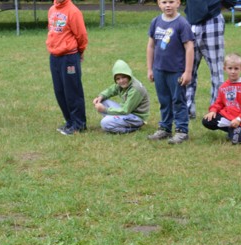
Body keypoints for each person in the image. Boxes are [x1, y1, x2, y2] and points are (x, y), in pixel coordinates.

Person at [146, 0, 194, 144]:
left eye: (171, 1)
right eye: (164, 2)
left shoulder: (182, 24)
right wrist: (150, 68)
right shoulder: (155, 22)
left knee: (178, 100)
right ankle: (165, 128)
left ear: (178, 3)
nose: (168, 5)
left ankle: (181, 130)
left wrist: (188, 71)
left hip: (176, 71)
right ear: (159, 4)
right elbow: (151, 46)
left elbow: (189, 48)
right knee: (164, 100)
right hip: (159, 69)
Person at [46, 0, 87, 135]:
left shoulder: (73, 11)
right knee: (59, 91)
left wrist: (79, 52)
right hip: (54, 57)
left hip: (69, 57)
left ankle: (78, 124)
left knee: (72, 91)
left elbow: (81, 36)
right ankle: (69, 121)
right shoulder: (52, 10)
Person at [202, 53, 241, 144]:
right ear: (225, 69)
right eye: (230, 68)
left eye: (236, 68)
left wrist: (239, 119)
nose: (233, 71)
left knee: (236, 141)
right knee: (207, 120)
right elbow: (219, 102)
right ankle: (231, 130)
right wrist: (213, 110)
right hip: (227, 118)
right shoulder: (224, 86)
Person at [184, 0, 225, 120]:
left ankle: (215, 111)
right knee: (188, 69)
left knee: (216, 70)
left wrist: (213, 7)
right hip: (191, 21)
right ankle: (187, 109)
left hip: (213, 21)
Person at [92, 59, 150, 134]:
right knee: (102, 101)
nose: (121, 81)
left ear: (129, 75)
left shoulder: (135, 89)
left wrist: (105, 110)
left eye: (123, 77)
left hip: (136, 117)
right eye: (118, 79)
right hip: (127, 112)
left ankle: (132, 128)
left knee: (104, 123)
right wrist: (100, 96)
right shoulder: (122, 84)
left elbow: (125, 110)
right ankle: (115, 120)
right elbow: (111, 90)